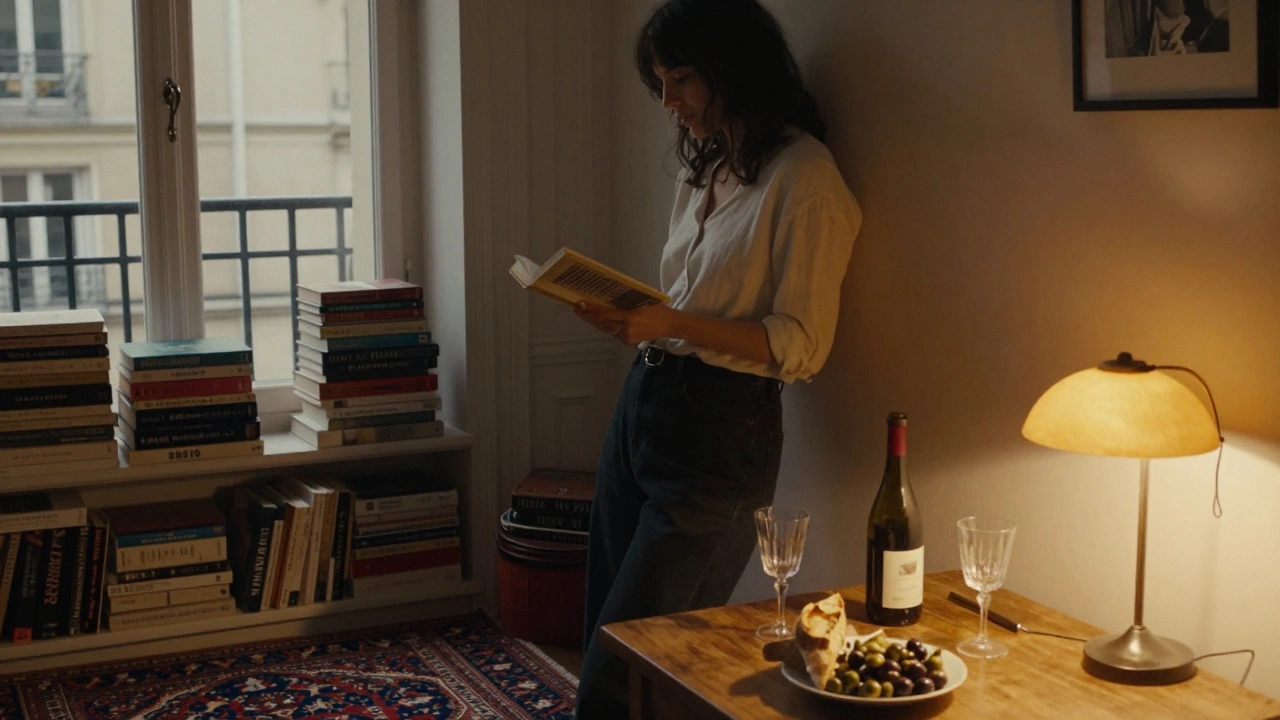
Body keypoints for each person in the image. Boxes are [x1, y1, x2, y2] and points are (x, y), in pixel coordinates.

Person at [570, 1, 861, 717]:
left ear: (734, 71)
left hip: (722, 431)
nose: (668, 102)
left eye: (682, 80)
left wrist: (671, 322)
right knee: (603, 628)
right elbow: (687, 303)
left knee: (626, 669)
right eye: (661, 83)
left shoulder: (807, 180)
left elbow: (802, 344)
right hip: (645, 402)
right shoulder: (706, 168)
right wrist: (641, 320)